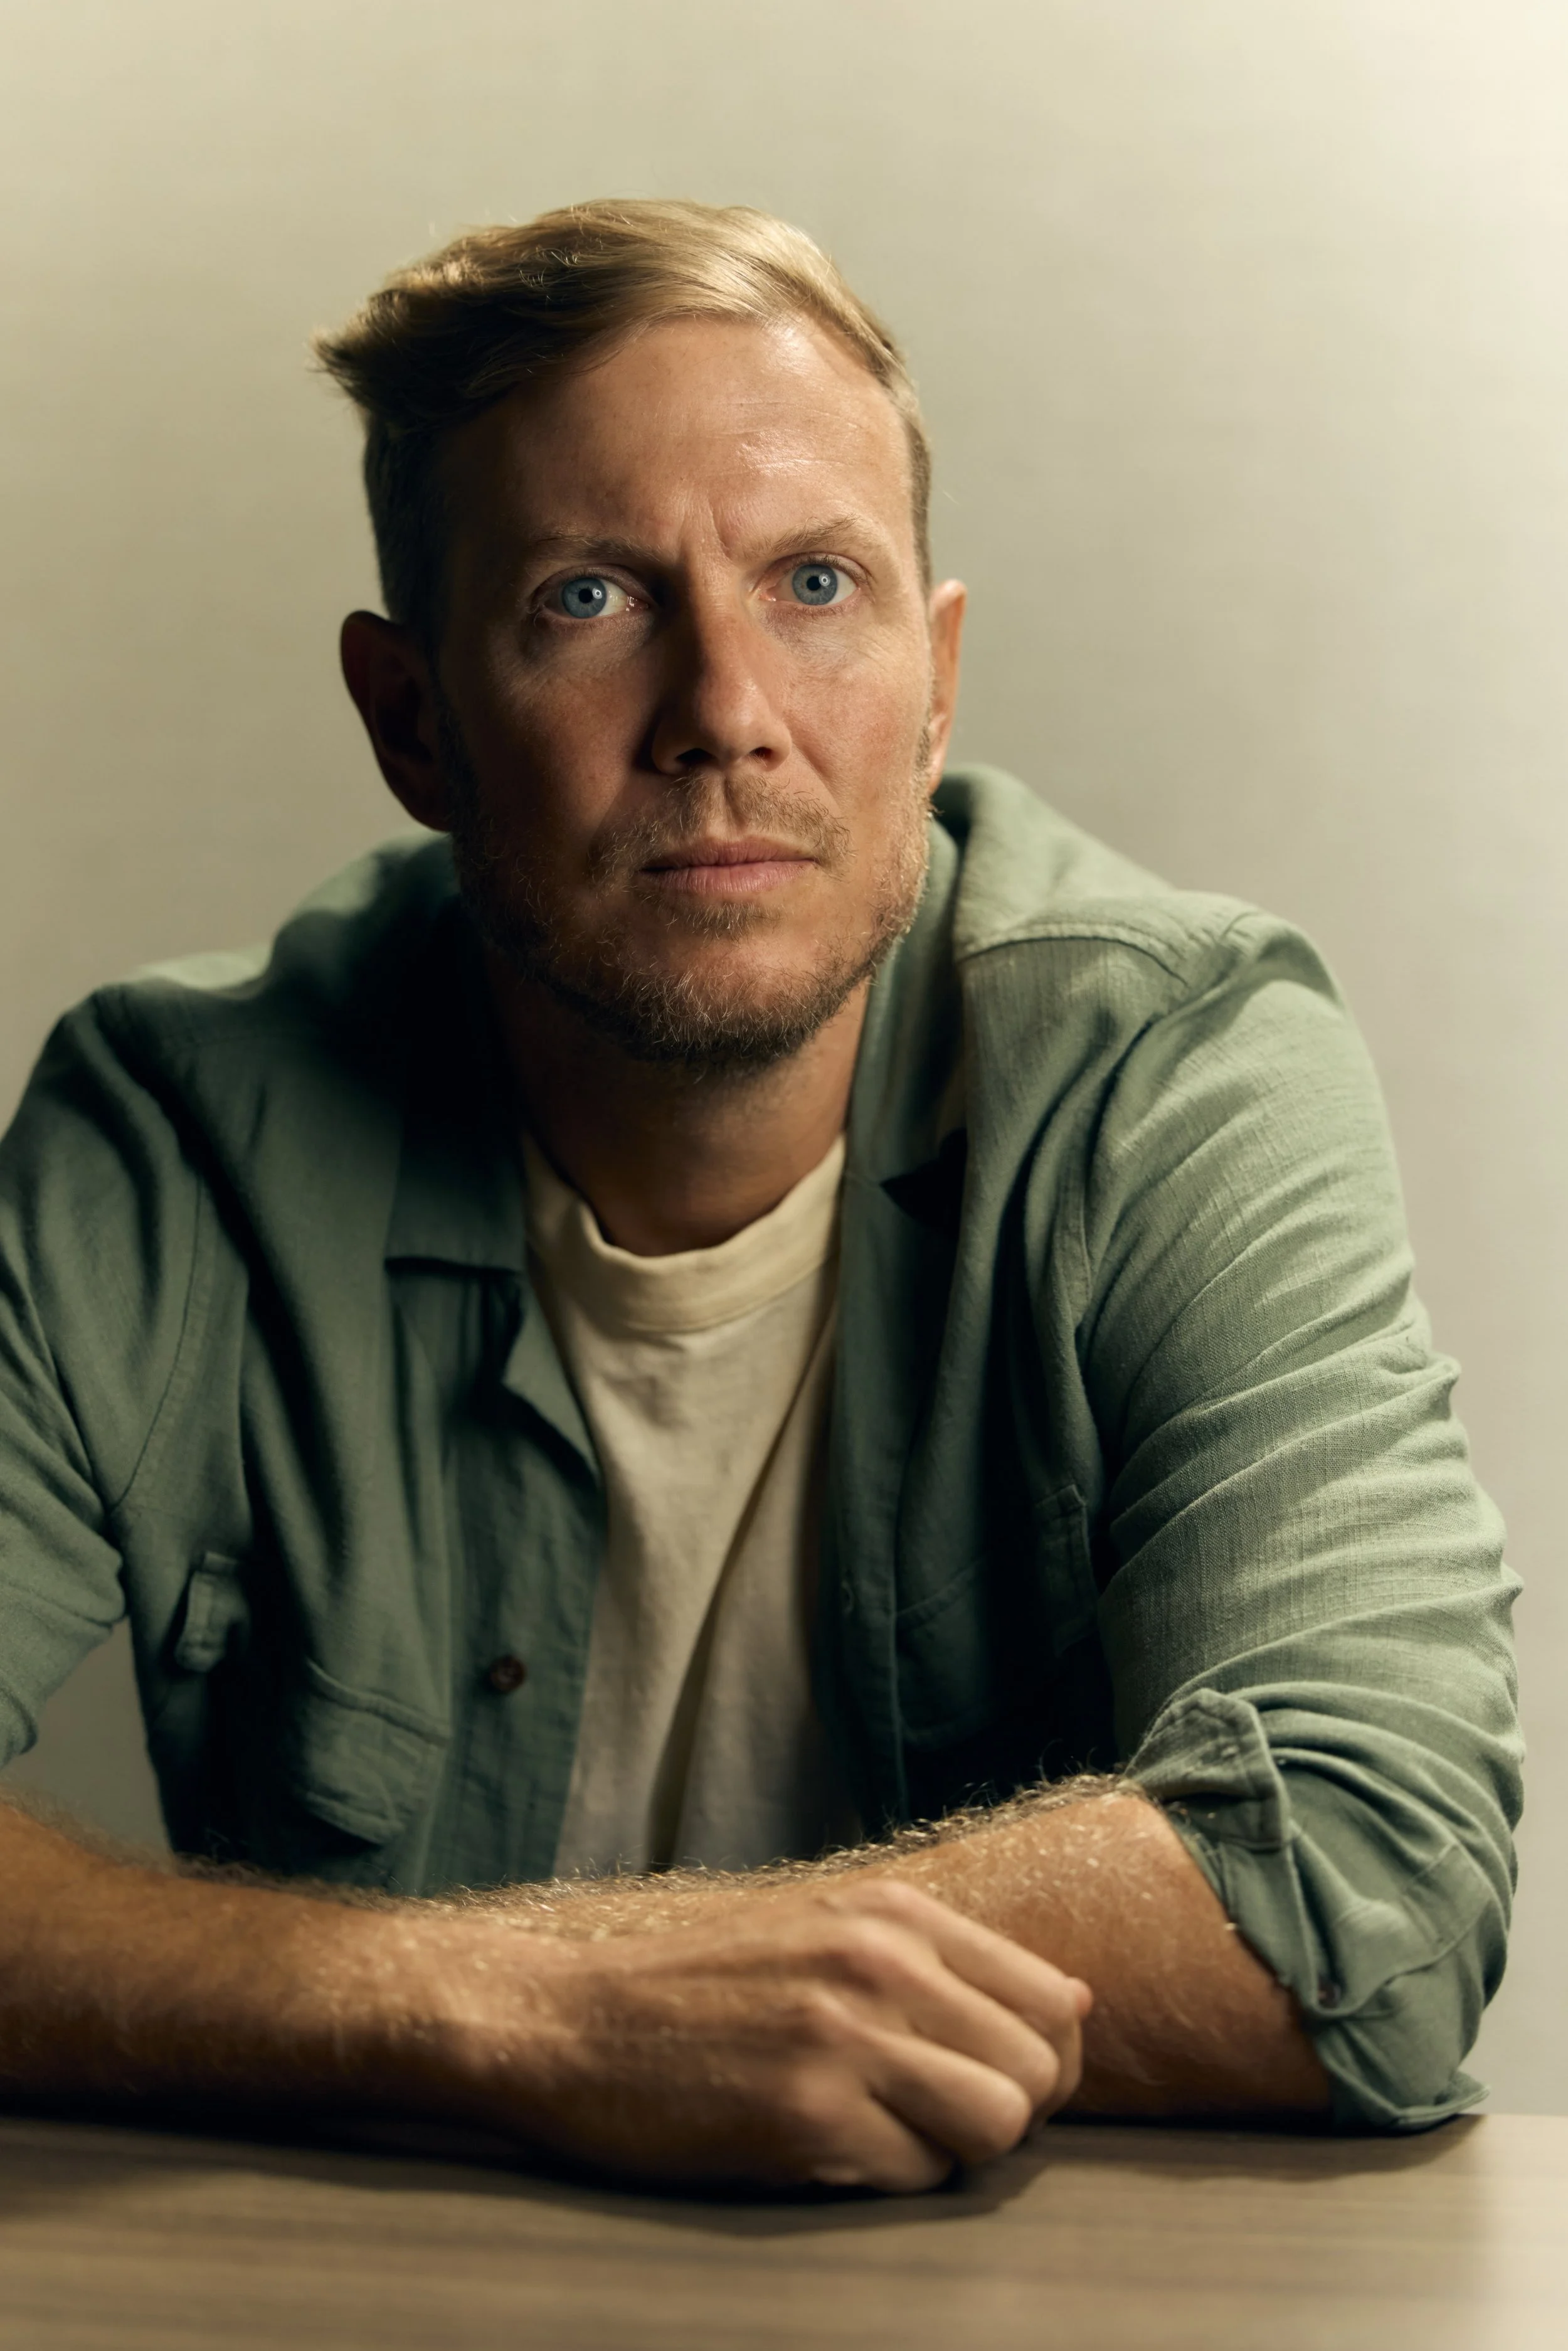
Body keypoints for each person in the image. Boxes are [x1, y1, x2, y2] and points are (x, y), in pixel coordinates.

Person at [0, 201, 1520, 2195]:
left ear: (937, 676)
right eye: (586, 599)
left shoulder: (1174, 1068)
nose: (727, 705)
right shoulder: (177, 1129)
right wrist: (520, 2013)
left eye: (814, 582)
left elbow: (1372, 1880)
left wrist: (583, 1973)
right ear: (412, 721)